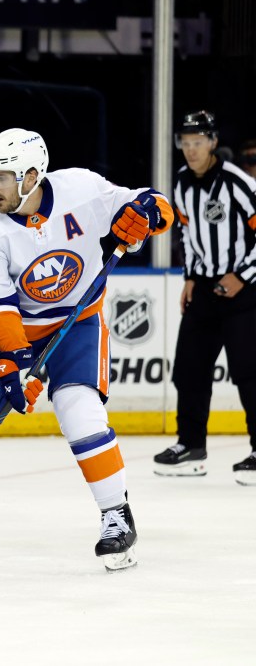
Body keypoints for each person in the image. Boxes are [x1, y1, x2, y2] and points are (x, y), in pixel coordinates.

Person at [0, 127, 172, 570]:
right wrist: (15, 359)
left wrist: (150, 211)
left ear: (32, 176)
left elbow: (147, 201)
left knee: (79, 409)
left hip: (77, 322)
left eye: (1, 178)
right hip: (13, 328)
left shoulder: (81, 189)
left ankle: (116, 515)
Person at [153, 111, 256, 485]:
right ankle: (191, 447)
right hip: (206, 290)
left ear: (213, 142)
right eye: (185, 142)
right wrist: (191, 277)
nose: (191, 150)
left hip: (245, 291)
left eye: (198, 142)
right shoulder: (180, 183)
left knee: (250, 372)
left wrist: (241, 276)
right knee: (189, 370)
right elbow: (188, 233)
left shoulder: (237, 183)